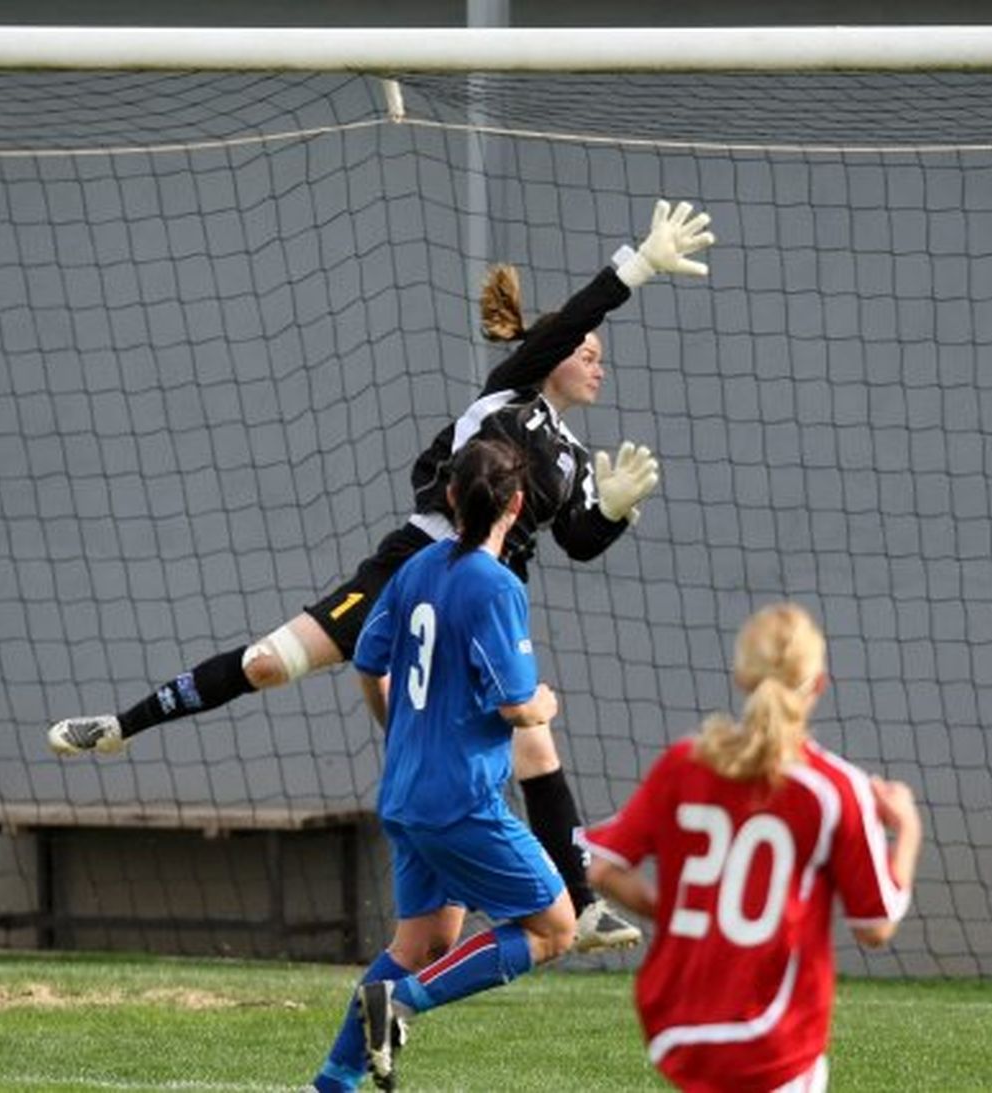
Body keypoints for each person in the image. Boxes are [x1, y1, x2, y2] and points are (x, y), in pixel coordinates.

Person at [45, 199, 715, 951]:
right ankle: (120, 727)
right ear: (552, 351)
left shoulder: (566, 455)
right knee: (270, 664)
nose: (598, 360)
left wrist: (614, 511)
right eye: (587, 349)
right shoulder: (510, 393)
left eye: (598, 352)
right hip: (412, 560)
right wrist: (637, 266)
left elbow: (579, 541)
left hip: (488, 594)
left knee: (532, 738)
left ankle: (581, 904)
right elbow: (572, 320)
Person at [307, 435, 575, 1093]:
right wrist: (541, 701)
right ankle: (400, 1004)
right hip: (460, 800)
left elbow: (369, 661)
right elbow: (516, 707)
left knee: (423, 941)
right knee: (555, 927)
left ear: (451, 495)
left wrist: (398, 728)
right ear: (516, 505)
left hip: (404, 792)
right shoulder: (498, 585)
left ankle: (333, 1082)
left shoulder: (418, 567)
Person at [583, 603, 923, 1093]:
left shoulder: (684, 763)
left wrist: (679, 912)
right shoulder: (833, 789)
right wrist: (907, 826)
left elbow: (602, 867)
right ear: (819, 684)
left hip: (678, 1022)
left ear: (742, 677)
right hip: (774, 1035)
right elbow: (876, 926)